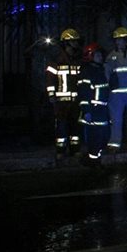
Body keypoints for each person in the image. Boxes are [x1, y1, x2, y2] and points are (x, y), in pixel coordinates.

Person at [45, 28, 83, 159]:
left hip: (76, 101)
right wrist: (51, 96)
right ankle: (60, 151)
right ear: (67, 43)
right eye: (74, 42)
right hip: (61, 102)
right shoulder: (56, 61)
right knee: (61, 128)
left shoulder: (78, 61)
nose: (76, 44)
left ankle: (75, 150)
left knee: (75, 128)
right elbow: (50, 80)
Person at [77, 43, 110, 166]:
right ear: (90, 56)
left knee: (104, 136)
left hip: (102, 109)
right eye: (97, 55)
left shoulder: (100, 70)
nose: (100, 57)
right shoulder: (87, 72)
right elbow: (84, 93)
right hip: (93, 110)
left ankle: (96, 158)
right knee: (95, 137)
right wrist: (87, 111)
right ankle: (93, 162)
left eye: (101, 54)